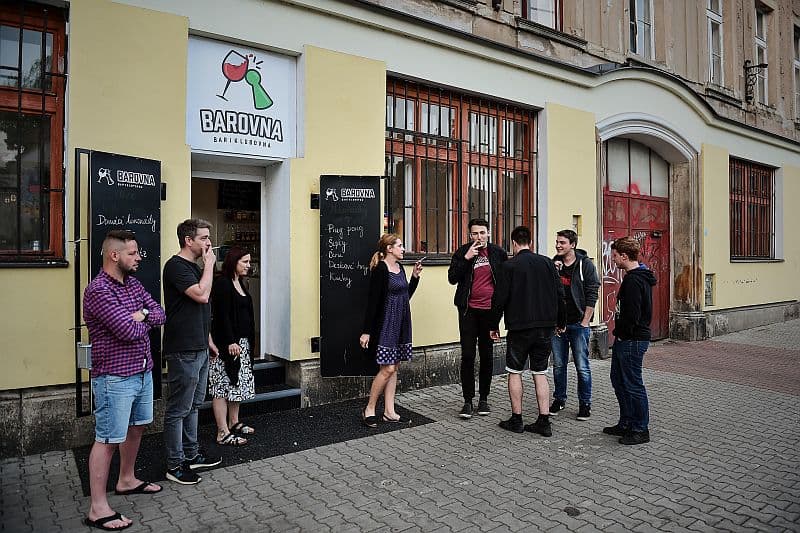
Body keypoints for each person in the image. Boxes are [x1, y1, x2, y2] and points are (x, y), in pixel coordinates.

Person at [82, 230, 166, 531]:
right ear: (114, 255)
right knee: (107, 439)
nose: (139, 257)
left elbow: (159, 313)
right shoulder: (98, 291)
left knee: (137, 427)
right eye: (133, 252)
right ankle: (97, 507)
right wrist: (141, 320)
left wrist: (140, 314)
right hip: (114, 378)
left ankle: (127, 479)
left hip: (142, 371)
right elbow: (126, 331)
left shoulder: (133, 285)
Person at [490, 226, 565, 436]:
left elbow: (500, 298)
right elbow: (560, 293)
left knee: (515, 372)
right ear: (530, 242)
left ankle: (517, 419)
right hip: (545, 327)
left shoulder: (509, 266)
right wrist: (561, 321)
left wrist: (493, 325)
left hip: (519, 328)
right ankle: (544, 420)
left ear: (514, 243)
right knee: (540, 373)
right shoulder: (547, 263)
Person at [162, 219, 222, 485]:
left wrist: (207, 338)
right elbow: (201, 295)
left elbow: (199, 310)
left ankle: (191, 453)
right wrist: (209, 266)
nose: (209, 243)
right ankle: (174, 465)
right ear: (189, 240)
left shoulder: (194, 267)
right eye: (204, 238)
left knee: (195, 405)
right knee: (179, 409)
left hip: (198, 347)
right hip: (183, 349)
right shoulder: (176, 267)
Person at [359, 234, 423, 428]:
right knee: (387, 369)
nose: (403, 249)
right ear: (389, 248)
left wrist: (414, 277)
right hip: (386, 323)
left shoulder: (400, 268)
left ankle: (389, 412)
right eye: (400, 246)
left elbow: (405, 295)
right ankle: (369, 408)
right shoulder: (381, 270)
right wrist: (366, 331)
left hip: (401, 322)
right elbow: (373, 302)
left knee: (394, 367)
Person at [447, 218, 507, 419]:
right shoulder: (463, 251)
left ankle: (484, 399)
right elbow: (452, 278)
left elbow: (505, 282)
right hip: (468, 312)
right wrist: (466, 258)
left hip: (490, 313)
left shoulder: (498, 253)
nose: (479, 237)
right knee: (468, 356)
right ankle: (467, 401)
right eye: (475, 233)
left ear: (488, 233)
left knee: (487, 354)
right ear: (469, 235)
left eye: (482, 233)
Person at [604, 237, 657, 445]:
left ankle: (640, 429)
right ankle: (626, 422)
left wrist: (622, 332)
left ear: (624, 256)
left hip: (632, 340)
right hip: (626, 338)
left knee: (633, 384)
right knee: (619, 380)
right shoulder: (633, 277)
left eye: (615, 255)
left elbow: (633, 315)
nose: (613, 259)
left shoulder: (635, 280)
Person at [550, 229, 600, 421]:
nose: (558, 245)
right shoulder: (556, 263)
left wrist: (585, 321)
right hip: (558, 325)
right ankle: (559, 399)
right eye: (557, 242)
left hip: (578, 324)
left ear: (572, 245)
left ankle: (585, 404)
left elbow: (592, 292)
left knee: (582, 366)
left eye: (562, 242)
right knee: (559, 365)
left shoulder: (585, 265)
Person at [209, 247, 256, 446]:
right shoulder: (222, 283)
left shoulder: (241, 283)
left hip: (241, 344)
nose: (248, 265)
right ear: (233, 262)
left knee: (237, 384)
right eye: (244, 261)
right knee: (222, 385)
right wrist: (229, 341)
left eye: (249, 261)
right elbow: (222, 316)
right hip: (227, 345)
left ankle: (234, 422)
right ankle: (222, 431)